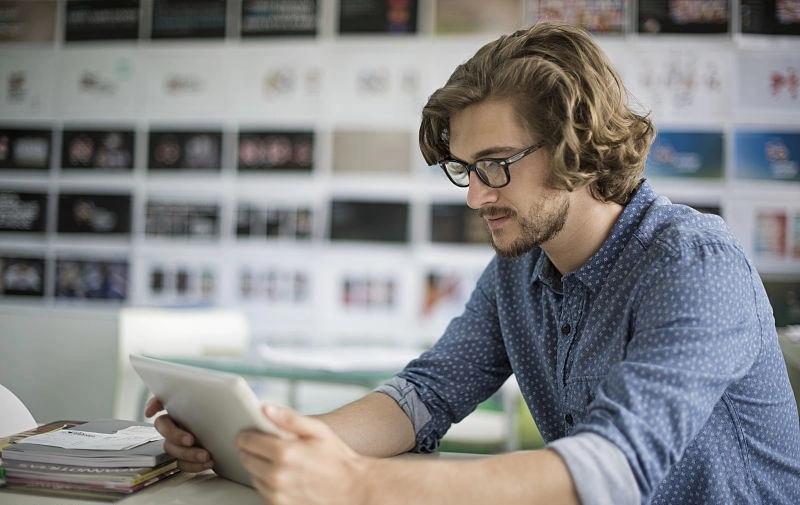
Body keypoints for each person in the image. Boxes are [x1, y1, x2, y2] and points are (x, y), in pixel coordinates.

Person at [145, 21, 800, 504]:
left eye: (497, 164)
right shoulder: (521, 267)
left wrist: (361, 484)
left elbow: (613, 464)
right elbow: (425, 395)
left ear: (575, 144)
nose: (477, 194)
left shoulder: (694, 263)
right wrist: (267, 441)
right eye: (467, 168)